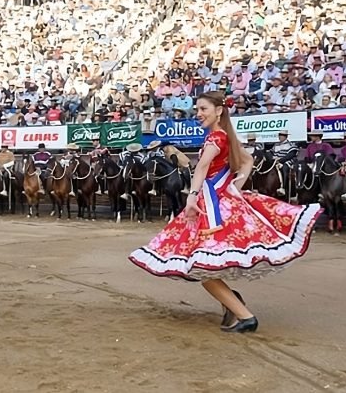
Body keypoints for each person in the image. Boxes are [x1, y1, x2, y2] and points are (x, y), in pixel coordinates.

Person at [129, 91, 322, 333]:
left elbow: (201, 168)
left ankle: (244, 314)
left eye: (203, 109)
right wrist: (235, 186)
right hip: (220, 201)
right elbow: (248, 160)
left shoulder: (215, 139)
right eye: (197, 109)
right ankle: (234, 304)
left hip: (211, 206)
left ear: (219, 110)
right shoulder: (225, 137)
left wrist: (191, 196)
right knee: (201, 265)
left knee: (200, 266)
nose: (198, 114)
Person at [270, 130, 298, 197]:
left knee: (284, 168)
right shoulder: (276, 145)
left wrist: (280, 160)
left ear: (285, 136)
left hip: (287, 161)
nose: (280, 137)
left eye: (281, 135)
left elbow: (291, 155)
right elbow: (271, 153)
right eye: (279, 135)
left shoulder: (291, 145)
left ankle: (283, 188)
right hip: (276, 161)